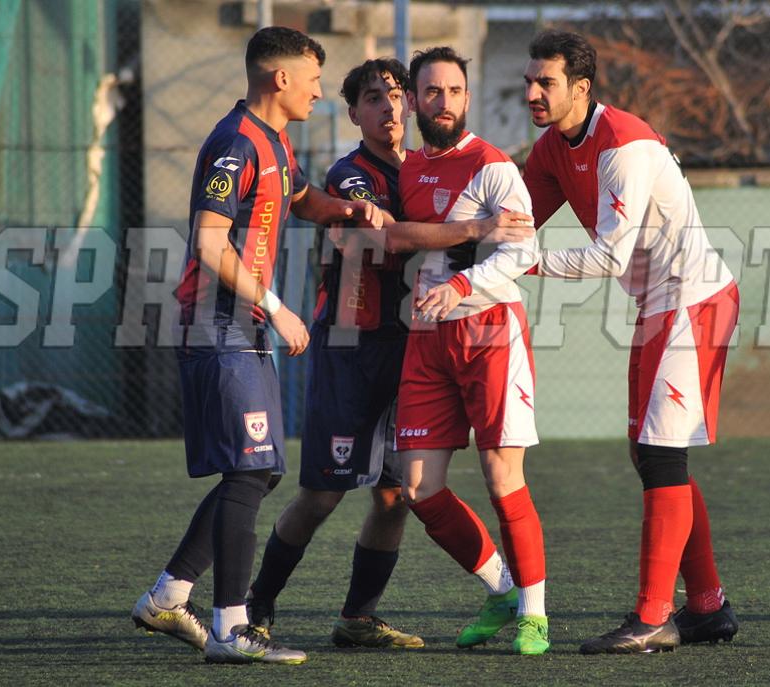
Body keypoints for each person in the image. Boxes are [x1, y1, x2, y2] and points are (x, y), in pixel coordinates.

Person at [246, 58, 536, 650]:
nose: (389, 107)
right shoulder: (351, 175)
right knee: (323, 493)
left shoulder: (430, 167)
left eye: (398, 95)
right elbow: (386, 238)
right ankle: (256, 605)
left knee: (397, 492)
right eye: (374, 98)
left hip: (413, 345)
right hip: (352, 347)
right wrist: (478, 228)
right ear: (354, 114)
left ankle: (358, 617)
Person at [130, 26, 384, 666]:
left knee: (261, 470)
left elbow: (301, 199)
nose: (319, 93)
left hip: (243, 327)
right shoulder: (234, 143)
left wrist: (348, 211)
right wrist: (277, 306)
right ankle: (231, 628)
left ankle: (169, 596)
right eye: (314, 80)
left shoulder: (275, 140)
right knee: (249, 469)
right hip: (217, 324)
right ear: (282, 79)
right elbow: (209, 243)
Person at [520, 30, 741, 654]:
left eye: (546, 82)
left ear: (581, 88)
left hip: (694, 300)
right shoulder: (550, 148)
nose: (533, 93)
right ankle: (707, 607)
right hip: (660, 305)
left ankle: (652, 618)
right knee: (650, 456)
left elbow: (607, 257)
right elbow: (512, 222)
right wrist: (439, 236)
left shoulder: (622, 143)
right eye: (529, 81)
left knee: (661, 454)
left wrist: (524, 263)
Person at [396, 46, 550, 656]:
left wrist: (461, 284)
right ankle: (502, 589)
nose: (445, 102)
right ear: (414, 100)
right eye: (432, 91)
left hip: (488, 331)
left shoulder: (492, 165)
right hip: (426, 339)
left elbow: (524, 250)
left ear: (468, 97)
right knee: (417, 487)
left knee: (501, 475)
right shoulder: (407, 167)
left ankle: (535, 614)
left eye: (455, 91)